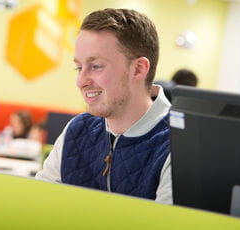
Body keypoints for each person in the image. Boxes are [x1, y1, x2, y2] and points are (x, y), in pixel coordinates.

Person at [35, 8, 172, 204]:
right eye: (79, 67)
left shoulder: (177, 147)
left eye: (96, 66)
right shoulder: (77, 129)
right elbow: (39, 205)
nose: (81, 81)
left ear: (138, 69)